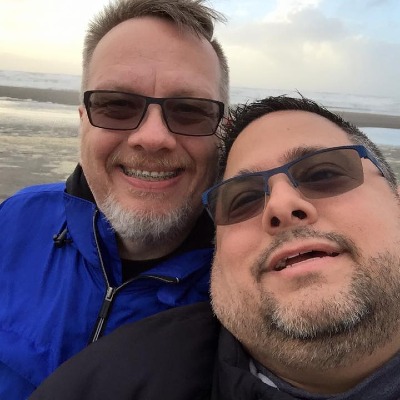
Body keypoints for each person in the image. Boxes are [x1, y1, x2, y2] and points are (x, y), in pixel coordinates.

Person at [30, 94, 400, 400]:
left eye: (324, 173)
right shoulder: (99, 385)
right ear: (216, 256)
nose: (282, 205)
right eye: (243, 199)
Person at [0, 0, 229, 397]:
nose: (153, 138)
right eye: (117, 105)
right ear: (83, 122)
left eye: (190, 110)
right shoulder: (15, 221)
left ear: (222, 132)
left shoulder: (249, 279)